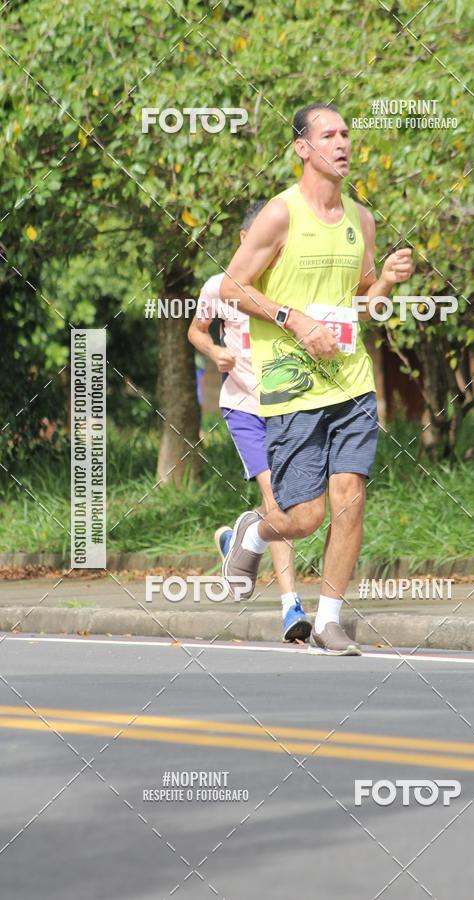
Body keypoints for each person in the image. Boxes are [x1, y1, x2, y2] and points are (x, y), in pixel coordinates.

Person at [220, 102, 414, 656]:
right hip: (291, 387)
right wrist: (295, 320)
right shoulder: (279, 215)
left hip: (351, 382)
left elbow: (365, 308)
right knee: (303, 517)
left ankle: (329, 618)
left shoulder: (362, 220)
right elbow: (233, 285)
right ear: (303, 148)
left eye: (346, 134)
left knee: (350, 497)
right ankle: (250, 535)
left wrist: (389, 284)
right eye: (328, 135)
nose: (342, 143)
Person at [187, 202, 311, 643]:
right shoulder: (218, 287)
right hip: (243, 407)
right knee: (279, 502)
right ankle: (290, 606)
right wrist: (214, 351)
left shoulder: (285, 290)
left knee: (296, 508)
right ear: (244, 241)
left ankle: (240, 537)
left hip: (287, 407)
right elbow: (196, 330)